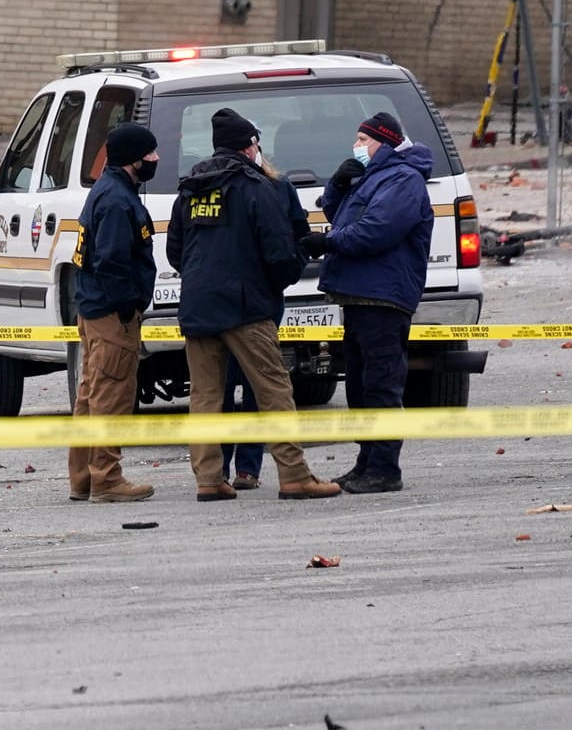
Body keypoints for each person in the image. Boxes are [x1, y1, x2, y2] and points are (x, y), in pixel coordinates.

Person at [166, 108, 340, 502]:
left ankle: (209, 480)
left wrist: (203, 279)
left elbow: (176, 251)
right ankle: (295, 475)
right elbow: (280, 253)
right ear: (249, 147)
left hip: (198, 306)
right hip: (246, 307)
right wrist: (276, 282)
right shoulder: (256, 187)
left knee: (205, 397)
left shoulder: (191, 189)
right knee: (274, 389)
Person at [301, 111, 434, 494]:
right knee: (360, 386)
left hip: (383, 296)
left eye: (363, 140)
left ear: (384, 143)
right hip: (358, 294)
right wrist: (338, 185)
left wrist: (328, 242)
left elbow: (376, 230)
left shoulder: (403, 179)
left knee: (381, 384)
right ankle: (366, 462)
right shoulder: (373, 177)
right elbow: (339, 216)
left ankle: (385, 468)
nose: (356, 146)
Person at [68, 122, 160, 503]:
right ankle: (106, 478)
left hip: (95, 310)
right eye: (150, 154)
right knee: (111, 397)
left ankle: (84, 478)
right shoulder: (117, 200)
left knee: (91, 395)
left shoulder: (108, 190)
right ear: (133, 160)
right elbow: (111, 261)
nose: (156, 159)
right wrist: (127, 307)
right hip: (111, 315)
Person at [221, 151, 311, 489]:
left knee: (258, 386)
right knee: (224, 389)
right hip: (230, 302)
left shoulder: (277, 187)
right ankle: (221, 470)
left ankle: (248, 468)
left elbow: (297, 236)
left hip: (260, 302)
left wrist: (284, 276)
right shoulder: (212, 186)